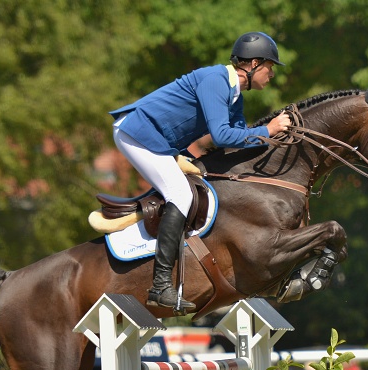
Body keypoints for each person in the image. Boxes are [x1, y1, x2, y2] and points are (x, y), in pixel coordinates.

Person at [110, 32, 292, 310]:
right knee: (181, 195)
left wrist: (274, 141)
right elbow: (221, 136)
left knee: (197, 186)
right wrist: (268, 129)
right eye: (270, 67)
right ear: (254, 63)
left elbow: (240, 140)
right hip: (137, 132)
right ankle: (159, 287)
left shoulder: (235, 98)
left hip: (159, 141)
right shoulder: (215, 80)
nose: (272, 74)